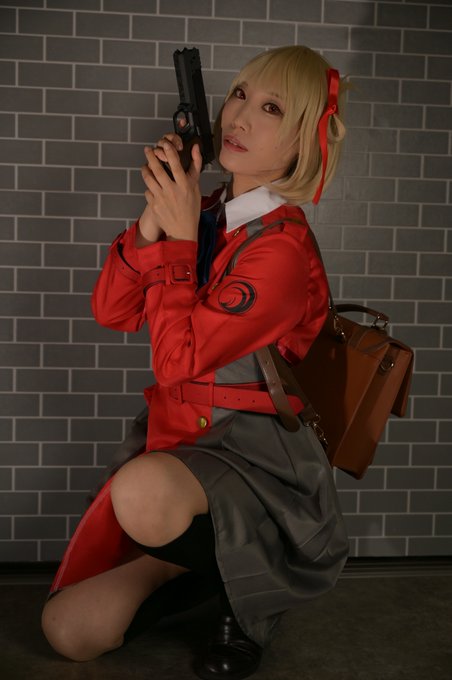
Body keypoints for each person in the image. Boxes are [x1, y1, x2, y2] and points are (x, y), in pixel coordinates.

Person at [41, 45, 349, 679]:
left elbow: (176, 361)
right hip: (180, 447)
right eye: (239, 95)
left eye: (271, 109)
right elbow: (111, 309)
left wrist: (180, 238)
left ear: (302, 143)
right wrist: (156, 218)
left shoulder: (283, 250)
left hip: (255, 456)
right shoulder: (205, 213)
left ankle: (246, 597)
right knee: (68, 631)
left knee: (141, 492)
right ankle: (206, 575)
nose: (240, 116)